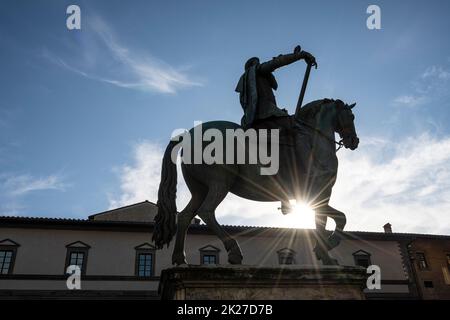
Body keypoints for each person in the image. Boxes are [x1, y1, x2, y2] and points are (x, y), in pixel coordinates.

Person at [235, 45, 317, 215]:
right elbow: (277, 62)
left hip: (252, 121)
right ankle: (305, 178)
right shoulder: (258, 71)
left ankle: (286, 192)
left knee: (282, 142)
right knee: (299, 130)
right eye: (258, 62)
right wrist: (299, 56)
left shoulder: (245, 82)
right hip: (266, 116)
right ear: (255, 64)